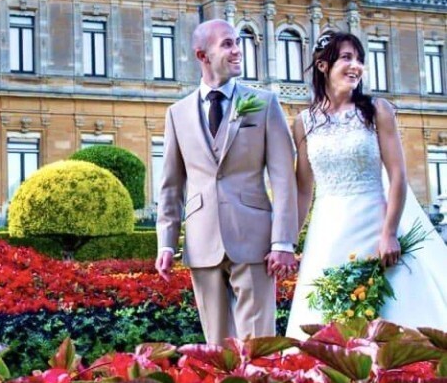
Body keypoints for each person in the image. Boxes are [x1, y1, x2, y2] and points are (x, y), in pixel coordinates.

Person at [286, 31, 447, 338]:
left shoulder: (376, 110)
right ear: (323, 65)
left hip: (375, 221)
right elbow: (304, 188)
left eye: (359, 59)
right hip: (328, 230)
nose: (356, 66)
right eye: (347, 57)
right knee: (326, 314)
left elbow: (398, 175)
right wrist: (287, 243)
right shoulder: (303, 122)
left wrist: (389, 232)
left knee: (389, 310)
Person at [155, 19, 298, 342]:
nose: (238, 51)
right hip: (201, 242)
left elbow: (283, 177)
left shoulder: (264, 103)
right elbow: (171, 185)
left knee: (259, 346)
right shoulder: (177, 114)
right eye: (228, 44)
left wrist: (283, 242)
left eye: (237, 42)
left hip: (256, 242)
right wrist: (166, 242)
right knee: (217, 350)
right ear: (202, 55)